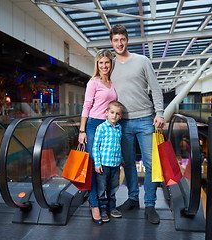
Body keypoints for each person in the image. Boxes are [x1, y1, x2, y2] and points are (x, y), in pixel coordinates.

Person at [109, 24, 165, 224]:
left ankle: (150, 204)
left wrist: (160, 113)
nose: (119, 43)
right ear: (111, 42)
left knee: (151, 164)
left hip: (145, 120)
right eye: (115, 40)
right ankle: (133, 199)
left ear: (127, 40)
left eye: (122, 39)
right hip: (122, 122)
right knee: (128, 164)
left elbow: (156, 88)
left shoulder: (142, 61)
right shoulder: (111, 65)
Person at [78, 49, 117, 225]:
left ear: (111, 64)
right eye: (100, 62)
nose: (104, 66)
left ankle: (106, 204)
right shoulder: (93, 82)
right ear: (97, 64)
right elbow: (86, 106)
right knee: (94, 165)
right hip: (94, 124)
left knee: (106, 166)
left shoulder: (113, 83)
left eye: (106, 62)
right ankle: (94, 205)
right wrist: (82, 130)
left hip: (109, 126)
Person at [92, 100, 124, 223]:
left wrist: (121, 159)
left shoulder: (119, 128)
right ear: (106, 113)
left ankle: (112, 208)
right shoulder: (101, 128)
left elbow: (118, 145)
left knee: (113, 188)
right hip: (103, 165)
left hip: (115, 164)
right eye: (112, 112)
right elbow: (96, 146)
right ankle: (103, 209)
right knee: (102, 189)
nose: (114, 116)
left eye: (117, 114)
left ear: (120, 116)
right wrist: (97, 163)